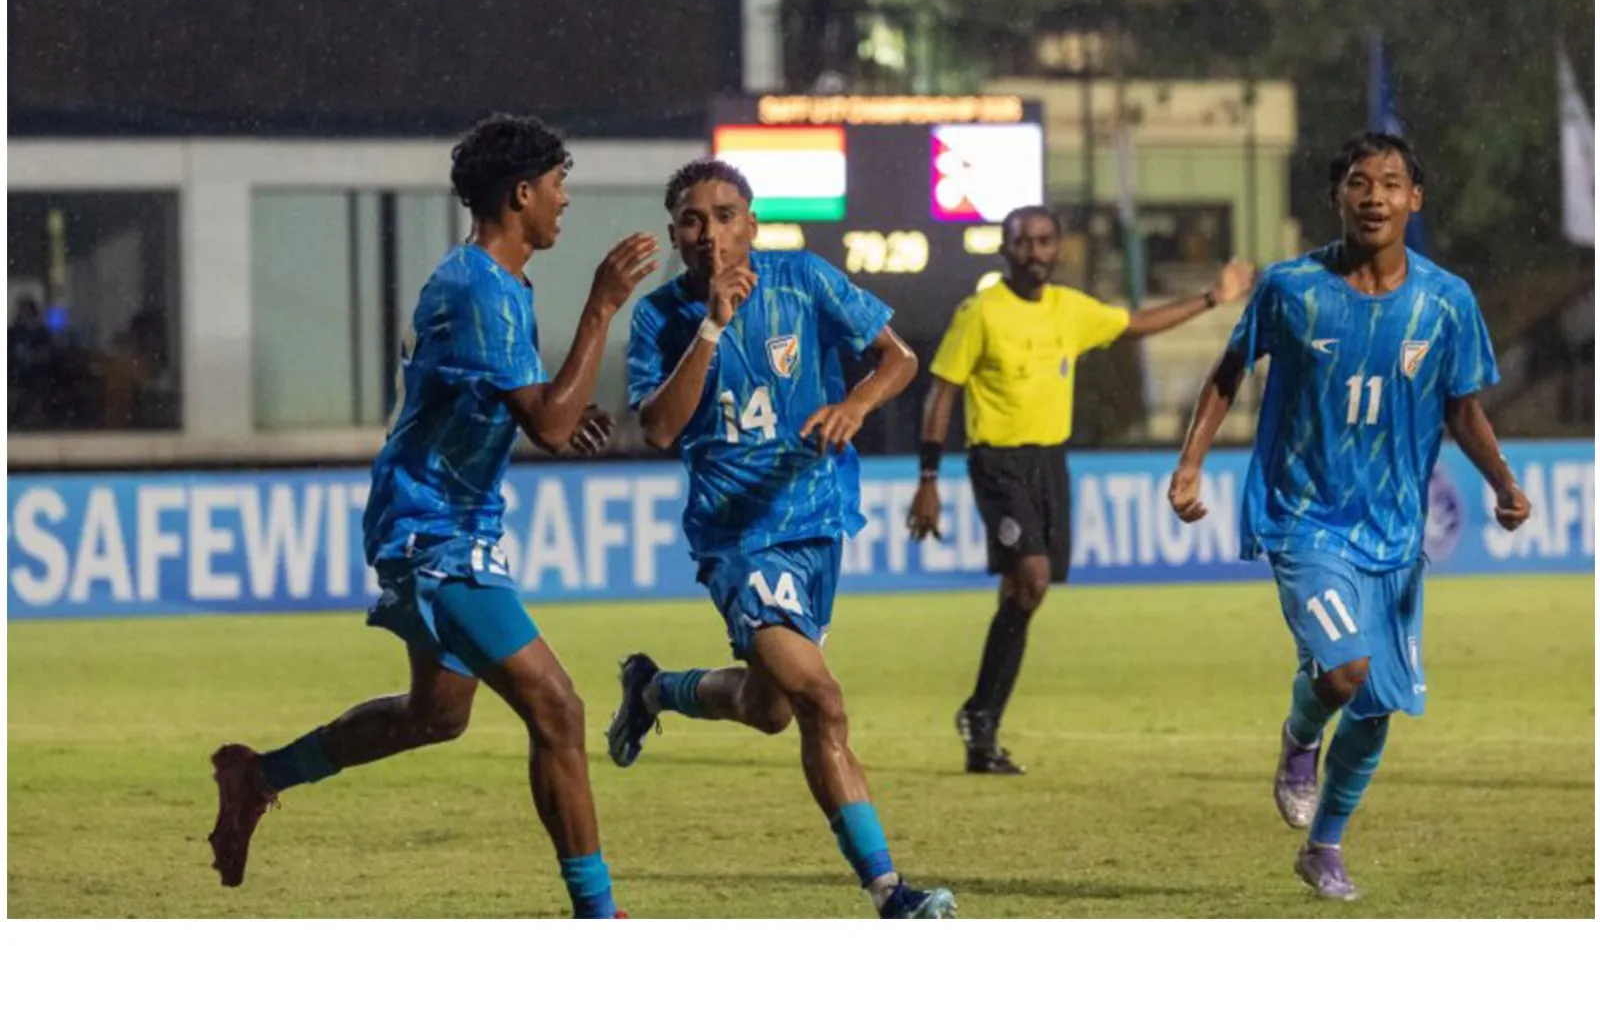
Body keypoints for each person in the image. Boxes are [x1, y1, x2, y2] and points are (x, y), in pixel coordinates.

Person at [207, 113, 659, 918]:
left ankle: (259, 776)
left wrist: (560, 413)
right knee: (558, 708)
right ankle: (600, 918)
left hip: (450, 520)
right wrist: (601, 306)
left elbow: (535, 412)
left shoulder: (493, 284)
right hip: (433, 531)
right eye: (557, 185)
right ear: (521, 194)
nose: (565, 201)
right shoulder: (480, 289)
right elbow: (547, 422)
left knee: (436, 716)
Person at [1167, 131, 1531, 900]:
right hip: (1304, 518)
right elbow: (1229, 373)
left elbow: (1462, 407)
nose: (1375, 197)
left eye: (1392, 183)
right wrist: (1190, 463)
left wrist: (1503, 481)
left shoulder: (1446, 300)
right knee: (1344, 670)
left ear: (1415, 199)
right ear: (1337, 196)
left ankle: (1324, 847)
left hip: (1394, 534)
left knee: (1376, 707)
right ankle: (1299, 736)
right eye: (1360, 183)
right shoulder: (1291, 288)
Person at [605, 158, 956, 919]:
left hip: (818, 524)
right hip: (740, 540)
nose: (710, 233)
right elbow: (660, 428)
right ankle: (890, 892)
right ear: (676, 235)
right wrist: (712, 326)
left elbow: (899, 359)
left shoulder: (803, 280)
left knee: (770, 709)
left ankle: (654, 689)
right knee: (822, 702)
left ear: (752, 225)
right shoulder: (661, 317)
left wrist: (855, 405)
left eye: (725, 216)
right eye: (693, 220)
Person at [908, 205, 1255, 773]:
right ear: (1006, 249)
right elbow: (941, 393)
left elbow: (1137, 324)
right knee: (1033, 577)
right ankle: (980, 715)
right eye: (1024, 242)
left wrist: (1214, 298)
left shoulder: (1070, 310)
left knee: (1025, 592)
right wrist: (928, 480)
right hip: (997, 462)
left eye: (1045, 241)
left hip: (1050, 463)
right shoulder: (981, 313)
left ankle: (981, 721)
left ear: (1058, 247)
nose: (1036, 252)